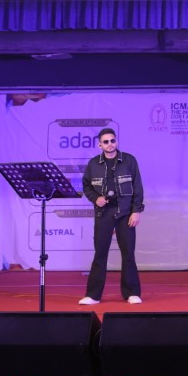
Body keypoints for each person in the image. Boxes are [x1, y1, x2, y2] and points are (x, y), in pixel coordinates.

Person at [79, 127, 145, 305]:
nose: (110, 144)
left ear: (116, 141)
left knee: (128, 253)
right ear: (100, 145)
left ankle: (132, 293)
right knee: (100, 254)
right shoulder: (93, 163)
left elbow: (137, 187)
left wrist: (136, 211)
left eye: (112, 140)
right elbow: (86, 186)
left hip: (125, 212)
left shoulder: (129, 160)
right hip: (103, 213)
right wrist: (96, 198)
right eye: (106, 142)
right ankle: (93, 295)